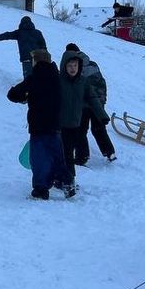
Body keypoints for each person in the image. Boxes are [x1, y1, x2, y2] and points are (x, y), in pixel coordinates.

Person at [6, 49, 71, 200]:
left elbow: (13, 94)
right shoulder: (57, 77)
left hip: (38, 125)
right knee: (57, 156)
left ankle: (41, 189)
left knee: (40, 159)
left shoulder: (34, 78)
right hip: (55, 125)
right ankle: (66, 182)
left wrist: (26, 97)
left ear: (35, 61)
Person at [58, 49, 108, 189]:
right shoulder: (59, 81)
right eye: (70, 66)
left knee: (67, 153)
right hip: (59, 125)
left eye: (75, 65)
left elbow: (93, 99)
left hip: (75, 124)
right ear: (64, 66)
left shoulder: (83, 82)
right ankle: (67, 181)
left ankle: (65, 180)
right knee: (65, 153)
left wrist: (102, 116)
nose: (73, 69)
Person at [65, 43, 116, 163]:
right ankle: (110, 152)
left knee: (80, 130)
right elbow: (102, 82)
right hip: (98, 102)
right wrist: (102, 100)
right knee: (99, 128)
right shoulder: (93, 64)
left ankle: (82, 157)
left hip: (83, 104)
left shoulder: (73, 67)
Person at [0, 15, 48, 80]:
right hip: (38, 59)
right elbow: (43, 46)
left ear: (21, 23)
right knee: (39, 78)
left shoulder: (19, 32)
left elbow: (6, 35)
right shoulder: (38, 32)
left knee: (29, 80)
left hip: (26, 60)